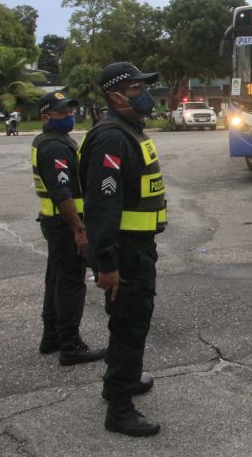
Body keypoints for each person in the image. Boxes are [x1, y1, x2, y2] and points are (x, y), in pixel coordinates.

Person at [79, 62, 167, 437]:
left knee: (132, 320)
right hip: (126, 252)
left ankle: (122, 379)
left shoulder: (128, 131)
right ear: (115, 97)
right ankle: (119, 408)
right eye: (135, 89)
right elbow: (102, 207)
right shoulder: (112, 138)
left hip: (138, 247)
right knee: (130, 324)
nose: (144, 94)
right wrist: (108, 263)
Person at [31, 92, 106, 366]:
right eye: (61, 113)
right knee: (71, 283)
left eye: (70, 111)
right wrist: (79, 229)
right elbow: (62, 192)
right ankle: (70, 345)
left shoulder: (52, 141)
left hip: (54, 223)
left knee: (56, 279)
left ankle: (51, 336)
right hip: (65, 225)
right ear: (45, 116)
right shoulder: (54, 147)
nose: (68, 116)